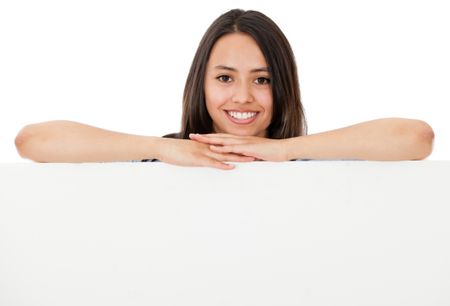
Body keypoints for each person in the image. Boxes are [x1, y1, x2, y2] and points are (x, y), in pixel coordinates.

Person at [14, 9, 434, 170]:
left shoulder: (303, 158)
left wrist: (284, 150)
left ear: (283, 86)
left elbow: (416, 138)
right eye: (225, 77)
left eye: (263, 79)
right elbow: (33, 141)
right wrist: (163, 148)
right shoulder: (167, 155)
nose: (243, 97)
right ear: (201, 83)